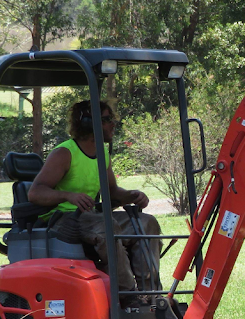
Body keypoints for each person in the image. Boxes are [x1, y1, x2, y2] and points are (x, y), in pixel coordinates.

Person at [28, 100, 162, 305]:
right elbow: (35, 193)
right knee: (107, 226)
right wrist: (68, 196)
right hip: (64, 219)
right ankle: (128, 296)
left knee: (147, 222)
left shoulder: (102, 153)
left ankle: (150, 296)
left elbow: (112, 191)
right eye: (108, 119)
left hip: (92, 217)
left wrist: (132, 196)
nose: (113, 124)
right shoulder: (65, 153)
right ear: (89, 123)